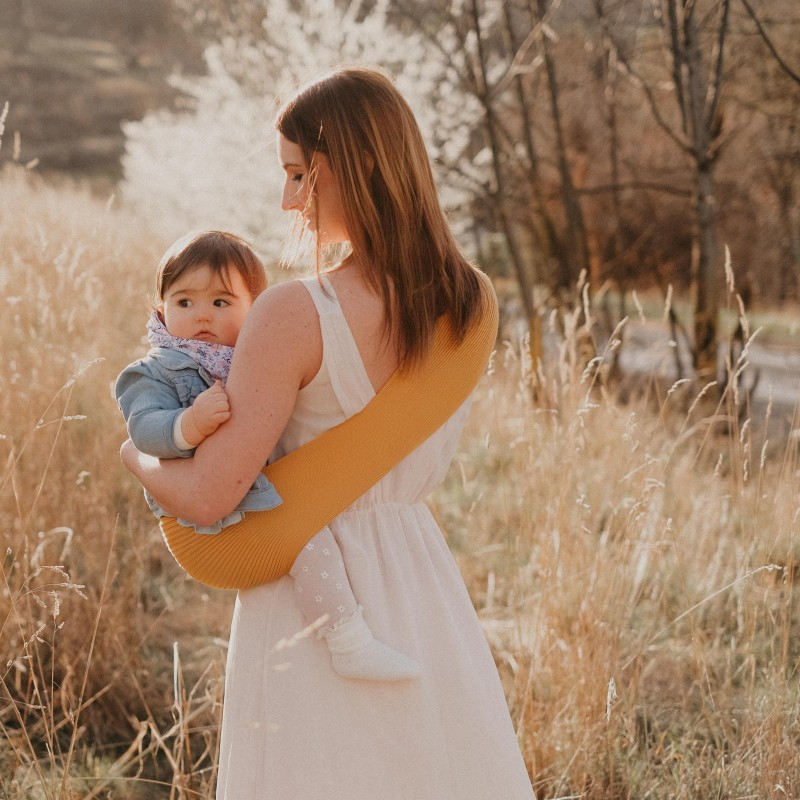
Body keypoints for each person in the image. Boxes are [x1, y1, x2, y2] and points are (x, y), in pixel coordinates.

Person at [121, 67, 535, 799]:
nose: (287, 201)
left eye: (297, 175)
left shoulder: (292, 313)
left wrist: (137, 456)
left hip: (305, 597)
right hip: (418, 579)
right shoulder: (470, 302)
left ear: (358, 162)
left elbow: (214, 495)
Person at [116, 229, 420, 682]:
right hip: (200, 500)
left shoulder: (255, 357)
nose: (202, 315)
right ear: (161, 308)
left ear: (254, 311)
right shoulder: (152, 371)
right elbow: (143, 429)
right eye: (184, 303)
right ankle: (349, 642)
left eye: (221, 303)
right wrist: (188, 425)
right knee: (307, 542)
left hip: (253, 483)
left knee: (315, 538)